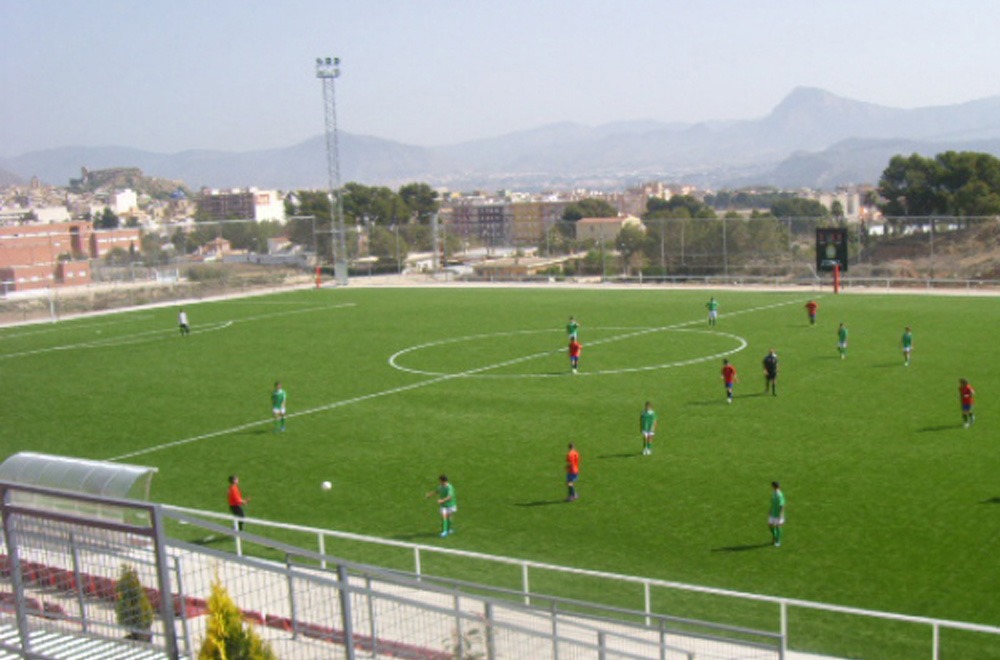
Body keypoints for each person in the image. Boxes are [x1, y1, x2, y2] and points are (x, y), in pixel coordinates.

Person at [769, 481, 785, 547]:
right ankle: (775, 536)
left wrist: (781, 514)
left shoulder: (779, 495)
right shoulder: (773, 493)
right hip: (773, 512)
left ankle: (778, 541)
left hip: (778, 513)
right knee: (770, 525)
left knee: (778, 526)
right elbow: (773, 502)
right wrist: (770, 509)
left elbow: (782, 505)